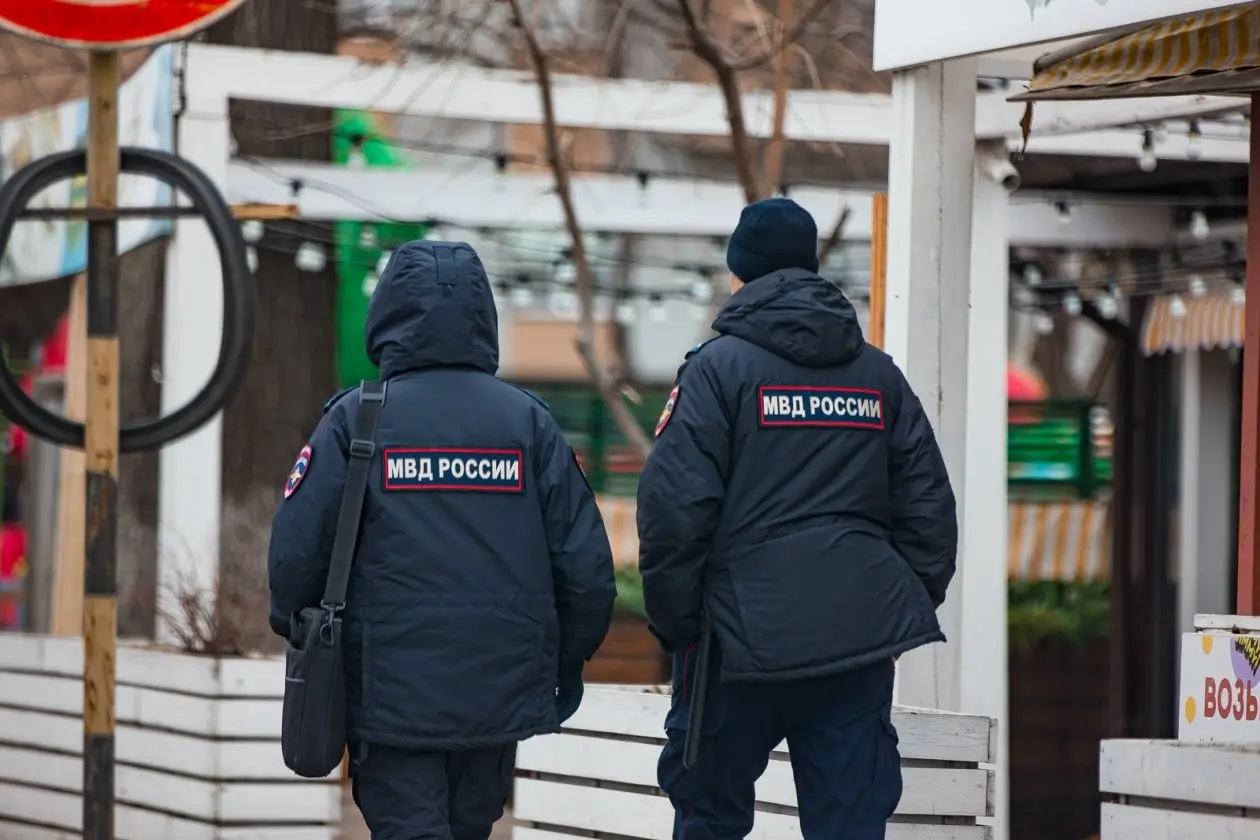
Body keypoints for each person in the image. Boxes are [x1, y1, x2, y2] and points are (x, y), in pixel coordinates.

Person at [268, 240, 617, 840]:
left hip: (389, 692)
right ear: (484, 316)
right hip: (498, 688)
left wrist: (301, 633)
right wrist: (568, 658)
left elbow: (296, 556)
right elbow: (585, 567)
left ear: (387, 313)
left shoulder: (357, 420)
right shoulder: (528, 424)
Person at [636, 198, 958, 840]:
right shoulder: (879, 377)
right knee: (850, 823)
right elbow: (929, 513)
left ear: (738, 274)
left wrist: (682, 626)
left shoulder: (715, 372)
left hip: (734, 644)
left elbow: (674, 512)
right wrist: (886, 607)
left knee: (710, 818)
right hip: (853, 647)